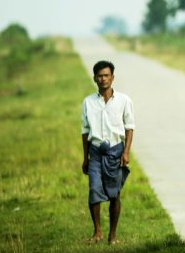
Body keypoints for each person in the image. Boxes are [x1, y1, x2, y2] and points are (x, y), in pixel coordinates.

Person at [81, 60, 134, 245]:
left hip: (115, 151)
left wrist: (126, 152)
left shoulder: (124, 100)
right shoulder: (88, 102)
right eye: (100, 76)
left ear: (112, 78)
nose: (103, 79)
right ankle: (97, 231)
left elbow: (129, 127)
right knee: (94, 189)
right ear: (94, 78)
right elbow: (85, 131)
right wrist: (85, 157)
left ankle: (112, 235)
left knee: (114, 194)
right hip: (95, 152)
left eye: (106, 75)